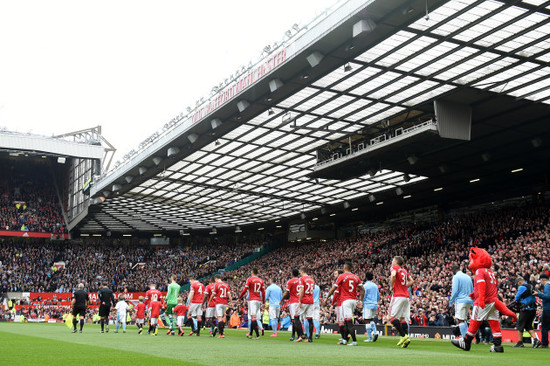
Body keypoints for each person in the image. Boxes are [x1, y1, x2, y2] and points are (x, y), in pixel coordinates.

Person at [325, 262, 364, 346]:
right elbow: (362, 289)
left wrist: (327, 297)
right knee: (346, 321)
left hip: (345, 301)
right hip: (353, 300)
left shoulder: (342, 276)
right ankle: (344, 340)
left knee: (348, 321)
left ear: (344, 268)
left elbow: (333, 289)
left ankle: (354, 341)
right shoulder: (356, 277)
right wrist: (361, 300)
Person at [387, 256, 414, 348]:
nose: (392, 262)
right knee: (402, 318)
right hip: (406, 296)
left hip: (398, 295)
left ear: (395, 262)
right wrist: (405, 286)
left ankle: (403, 336)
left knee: (391, 317)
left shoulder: (395, 268)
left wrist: (391, 286)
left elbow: (393, 275)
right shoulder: (404, 271)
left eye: (392, 260)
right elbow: (412, 281)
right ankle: (405, 340)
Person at [513, 276, 542, 348]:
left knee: (520, 325)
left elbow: (517, 298)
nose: (518, 285)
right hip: (533, 309)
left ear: (519, 281)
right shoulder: (531, 286)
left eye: (518, 283)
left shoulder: (522, 287)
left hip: (525, 309)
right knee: (528, 326)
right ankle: (536, 340)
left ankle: (520, 342)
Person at [239, 268, 265, 339]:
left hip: (252, 300)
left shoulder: (250, 279)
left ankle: (257, 335)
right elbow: (263, 292)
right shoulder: (261, 280)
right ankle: (250, 333)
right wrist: (263, 302)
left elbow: (245, 290)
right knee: (254, 317)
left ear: (252, 272)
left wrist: (240, 297)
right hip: (258, 301)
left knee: (253, 318)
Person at [449, 264, 474, 339]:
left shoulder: (456, 277)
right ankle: (467, 337)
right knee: (464, 319)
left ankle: (465, 339)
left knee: (460, 320)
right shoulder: (468, 277)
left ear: (453, 270)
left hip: (460, 301)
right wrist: (472, 302)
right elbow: (472, 290)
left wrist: (450, 303)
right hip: (469, 300)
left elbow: (455, 291)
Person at [283, 268, 303, 342]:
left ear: (292, 274)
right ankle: (299, 335)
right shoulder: (301, 280)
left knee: (294, 319)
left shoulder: (290, 281)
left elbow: (287, 293)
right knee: (298, 319)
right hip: (300, 301)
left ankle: (295, 335)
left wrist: (282, 299)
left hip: (293, 302)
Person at [296, 266, 315, 343]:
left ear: (302, 271)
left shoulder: (302, 279)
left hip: (304, 300)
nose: (299, 273)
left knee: (296, 317)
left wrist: (299, 300)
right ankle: (310, 338)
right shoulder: (311, 279)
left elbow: (302, 290)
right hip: (310, 301)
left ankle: (301, 335)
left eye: (300, 272)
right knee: (310, 319)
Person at [362, 271, 379, 342]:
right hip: (374, 304)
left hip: (368, 304)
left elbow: (363, 295)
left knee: (367, 320)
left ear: (366, 277)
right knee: (371, 319)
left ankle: (370, 337)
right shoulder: (375, 285)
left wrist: (362, 301)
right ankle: (375, 332)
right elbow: (378, 296)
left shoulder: (365, 286)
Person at [534, 273, 550, 348]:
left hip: (547, 309)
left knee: (544, 327)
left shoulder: (547, 286)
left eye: (540, 280)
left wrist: (538, 294)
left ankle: (544, 343)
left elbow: (548, 296)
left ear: (543, 279)